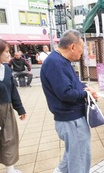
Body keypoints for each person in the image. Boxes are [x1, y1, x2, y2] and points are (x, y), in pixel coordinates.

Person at [40, 30, 98, 173]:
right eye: (81, 48)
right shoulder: (56, 63)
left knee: (72, 154)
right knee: (79, 159)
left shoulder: (60, 60)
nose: (82, 52)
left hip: (70, 118)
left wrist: (85, 88)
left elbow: (72, 85)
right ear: (72, 46)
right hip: (71, 119)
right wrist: (85, 94)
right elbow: (66, 93)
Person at [0, 38, 26, 173]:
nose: (9, 54)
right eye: (7, 51)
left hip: (7, 109)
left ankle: (10, 169)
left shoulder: (7, 70)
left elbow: (13, 91)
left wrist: (20, 109)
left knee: (9, 139)